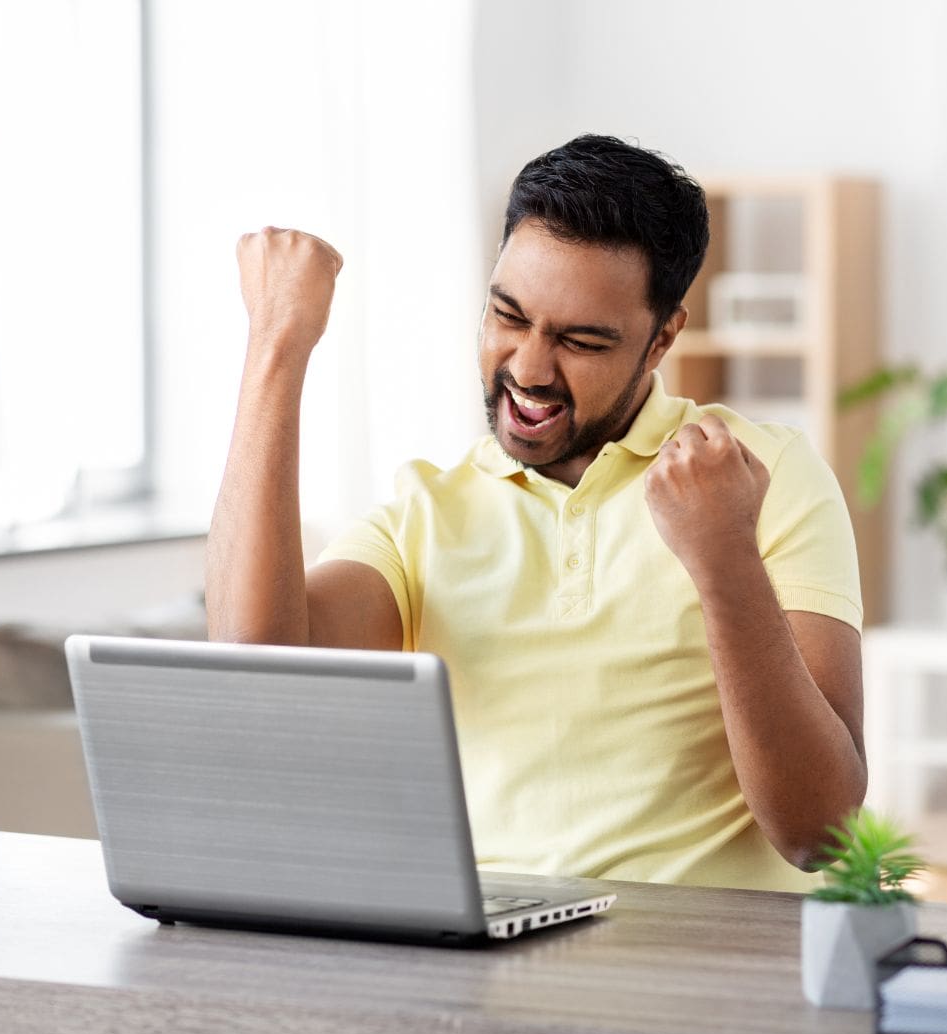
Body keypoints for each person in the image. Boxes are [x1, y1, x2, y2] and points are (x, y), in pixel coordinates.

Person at [207, 134, 865, 891]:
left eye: (581, 341)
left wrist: (724, 563)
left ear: (662, 340)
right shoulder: (426, 513)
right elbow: (253, 666)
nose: (528, 370)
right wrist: (276, 346)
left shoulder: (764, 476)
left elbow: (823, 833)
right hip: (488, 962)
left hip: (711, 971)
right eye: (508, 317)